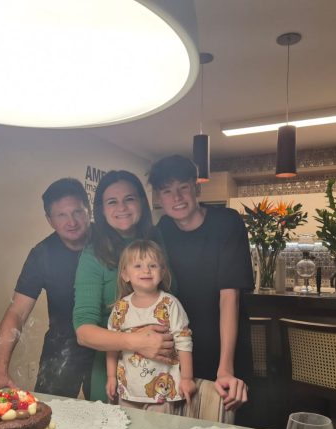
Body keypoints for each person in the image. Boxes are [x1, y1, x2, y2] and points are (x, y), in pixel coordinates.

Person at [148, 155, 253, 413]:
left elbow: (229, 296)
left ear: (197, 188)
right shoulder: (163, 229)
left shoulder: (227, 222)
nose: (177, 197)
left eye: (183, 187)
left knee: (226, 418)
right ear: (159, 198)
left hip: (224, 342)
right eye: (167, 191)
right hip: (181, 346)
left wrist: (225, 367)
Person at [73, 170, 175, 403]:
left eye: (129, 199)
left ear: (141, 202)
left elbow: (171, 294)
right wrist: (137, 342)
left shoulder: (156, 239)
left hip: (162, 367)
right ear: (101, 210)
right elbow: (84, 332)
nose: (122, 207)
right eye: (112, 202)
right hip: (114, 372)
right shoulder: (93, 254)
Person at [0, 178, 94, 398]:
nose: (72, 222)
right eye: (61, 215)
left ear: (89, 210)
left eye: (77, 212)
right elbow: (17, 312)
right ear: (50, 220)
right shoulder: (42, 254)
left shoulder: (108, 242)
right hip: (62, 343)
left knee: (113, 412)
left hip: (109, 343)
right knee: (51, 411)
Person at [106, 240, 196, 413]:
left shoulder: (170, 304)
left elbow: (184, 341)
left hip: (163, 392)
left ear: (162, 272)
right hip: (128, 391)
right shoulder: (120, 308)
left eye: (152, 265)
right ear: (125, 274)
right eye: (138, 265)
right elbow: (112, 344)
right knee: (129, 428)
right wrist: (111, 377)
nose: (146, 270)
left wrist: (187, 378)